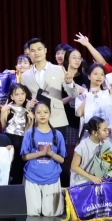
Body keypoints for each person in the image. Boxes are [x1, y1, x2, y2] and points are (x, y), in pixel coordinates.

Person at [20, 38, 80, 186]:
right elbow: (23, 98)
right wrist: (28, 103)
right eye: (32, 50)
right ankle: (37, 184)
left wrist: (69, 82)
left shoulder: (59, 70)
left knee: (59, 155)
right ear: (29, 53)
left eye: (39, 49)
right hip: (36, 120)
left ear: (45, 51)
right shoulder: (25, 75)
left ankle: (62, 189)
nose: (36, 53)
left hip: (57, 118)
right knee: (37, 154)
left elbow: (73, 94)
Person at [20, 102, 65, 216]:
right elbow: (24, 157)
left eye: (45, 112)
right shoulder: (29, 133)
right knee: (32, 212)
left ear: (50, 114)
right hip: (32, 176)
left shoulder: (58, 134)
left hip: (52, 177)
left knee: (51, 213)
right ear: (34, 114)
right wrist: (41, 153)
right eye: (38, 112)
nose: (42, 115)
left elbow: (61, 159)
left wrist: (50, 154)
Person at [69, 117, 112, 187]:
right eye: (104, 130)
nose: (107, 132)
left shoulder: (107, 143)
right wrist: (91, 177)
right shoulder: (82, 146)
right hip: (82, 183)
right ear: (95, 133)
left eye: (107, 129)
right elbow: (74, 167)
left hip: (98, 181)